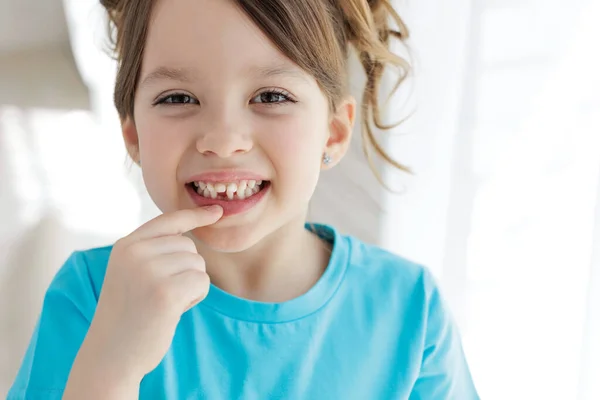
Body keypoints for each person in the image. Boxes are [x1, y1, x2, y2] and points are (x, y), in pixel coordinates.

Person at [8, 0, 479, 398]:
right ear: (133, 136)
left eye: (270, 96)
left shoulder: (411, 312)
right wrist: (111, 366)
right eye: (177, 99)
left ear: (333, 133)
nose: (222, 139)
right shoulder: (91, 295)